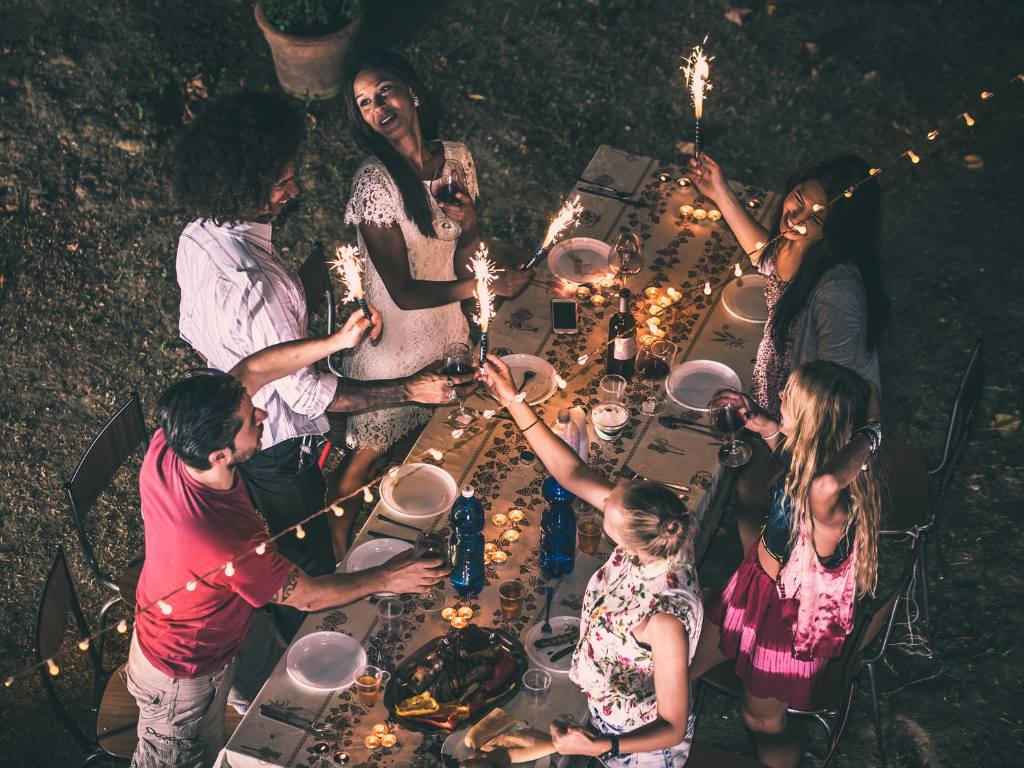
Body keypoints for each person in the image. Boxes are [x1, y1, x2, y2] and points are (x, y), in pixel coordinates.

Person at [172, 89, 474, 623]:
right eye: (282, 181)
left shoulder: (197, 236)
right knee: (301, 556)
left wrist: (317, 324)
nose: (295, 189)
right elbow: (309, 393)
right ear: (245, 187)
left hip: (237, 419)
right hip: (280, 448)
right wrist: (410, 388)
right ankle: (302, 644)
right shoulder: (255, 286)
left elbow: (199, 331)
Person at [125, 311, 448, 768]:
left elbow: (254, 370)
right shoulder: (221, 539)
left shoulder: (171, 446)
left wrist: (337, 340)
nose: (261, 412)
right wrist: (389, 576)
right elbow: (310, 596)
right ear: (221, 455)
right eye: (249, 419)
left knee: (273, 709)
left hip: (238, 619)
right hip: (185, 672)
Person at [478, 355, 701, 767]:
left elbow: (672, 722)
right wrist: (512, 399)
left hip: (638, 745)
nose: (600, 500)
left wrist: (600, 748)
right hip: (607, 711)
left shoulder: (665, 620)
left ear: (628, 542)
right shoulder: (661, 528)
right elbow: (571, 472)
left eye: (606, 511)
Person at [336, 50, 532, 515]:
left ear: (412, 93)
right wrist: (481, 289)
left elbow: (465, 260)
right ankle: (337, 541)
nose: (378, 107)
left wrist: (471, 223)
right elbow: (402, 293)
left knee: (468, 448)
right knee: (354, 475)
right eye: (364, 103)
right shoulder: (374, 186)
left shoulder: (456, 159)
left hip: (450, 338)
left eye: (384, 91)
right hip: (396, 349)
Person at [687, 153, 889, 549]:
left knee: (760, 498)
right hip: (775, 407)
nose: (794, 218)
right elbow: (768, 255)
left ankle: (770, 581)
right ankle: (755, 571)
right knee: (748, 492)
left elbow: (838, 392)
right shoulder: (801, 246)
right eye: (796, 198)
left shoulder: (838, 294)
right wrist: (720, 191)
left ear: (836, 230)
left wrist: (786, 433)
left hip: (809, 428)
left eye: (813, 217)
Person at [689, 361, 883, 768]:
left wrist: (871, 433)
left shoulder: (831, 505)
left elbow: (822, 484)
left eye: (787, 400)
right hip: (753, 587)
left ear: (813, 423)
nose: (778, 400)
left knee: (760, 719)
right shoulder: (813, 462)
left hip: (786, 622)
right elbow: (802, 463)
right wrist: (767, 427)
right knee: (682, 659)